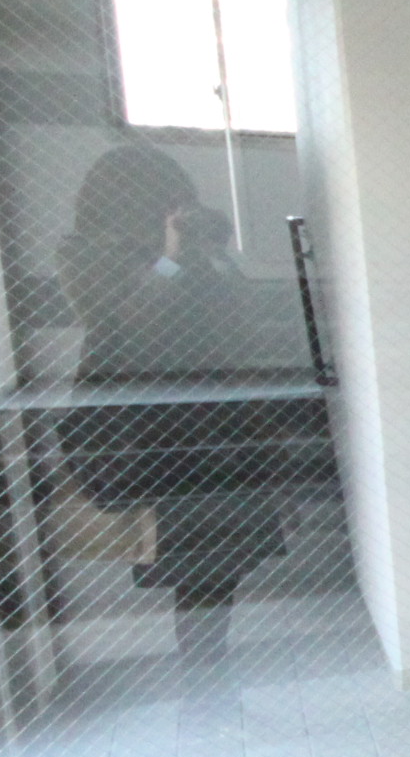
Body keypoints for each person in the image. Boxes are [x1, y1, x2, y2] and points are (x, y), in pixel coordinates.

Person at [55, 144, 282, 677]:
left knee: (221, 554)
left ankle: (209, 670)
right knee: (190, 556)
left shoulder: (192, 246)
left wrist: (214, 251)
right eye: (163, 198)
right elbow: (121, 322)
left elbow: (240, 314)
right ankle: (203, 676)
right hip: (151, 420)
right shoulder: (86, 252)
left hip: (216, 415)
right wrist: (171, 258)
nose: (173, 209)